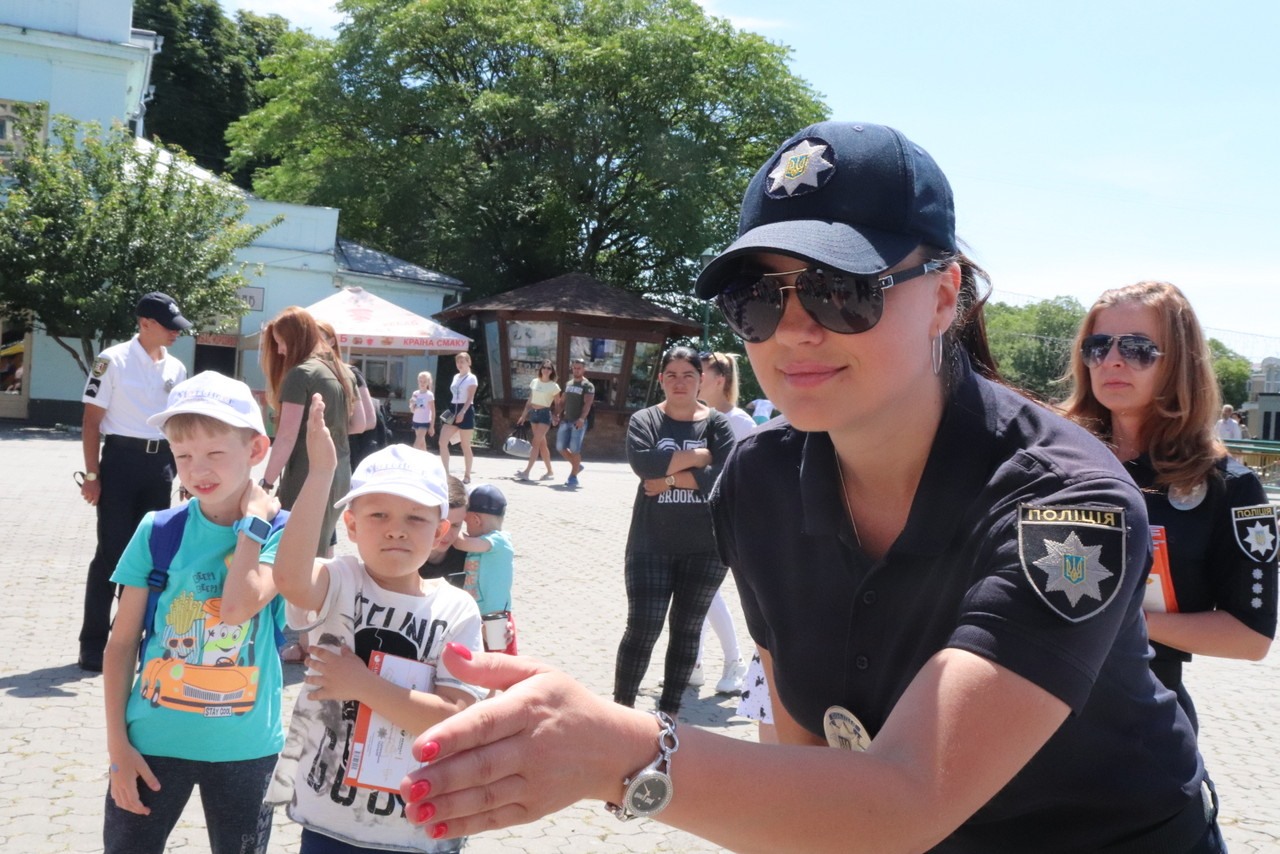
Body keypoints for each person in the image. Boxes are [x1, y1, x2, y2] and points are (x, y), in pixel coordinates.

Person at [400, 121, 1221, 852]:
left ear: (944, 296)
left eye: (843, 290)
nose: (794, 330)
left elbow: (908, 796)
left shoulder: (1067, 503)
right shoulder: (756, 480)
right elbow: (801, 756)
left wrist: (621, 754)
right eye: (756, 299)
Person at [267, 402, 484, 854]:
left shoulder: (458, 608)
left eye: (415, 519)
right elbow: (286, 577)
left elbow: (457, 719)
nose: (395, 532)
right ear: (350, 524)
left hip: (419, 826)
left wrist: (361, 684)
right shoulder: (339, 580)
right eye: (378, 516)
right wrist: (321, 473)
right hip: (328, 821)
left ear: (442, 530)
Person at [1062, 281, 1276, 731]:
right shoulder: (1051, 459)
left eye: (1138, 348)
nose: (1113, 360)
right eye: (1098, 346)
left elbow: (1250, 637)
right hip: (1027, 724)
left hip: (1141, 733)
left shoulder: (1228, 488)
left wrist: (1120, 616)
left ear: (1178, 362)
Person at [102, 371, 284, 854]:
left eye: (215, 453)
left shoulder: (282, 533)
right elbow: (120, 645)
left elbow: (237, 607)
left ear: (256, 450)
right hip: (152, 745)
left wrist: (255, 524)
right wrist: (118, 747)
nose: (197, 469)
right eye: (183, 456)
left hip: (247, 750)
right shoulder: (156, 529)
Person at [613, 345, 737, 716]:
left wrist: (669, 480)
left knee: (687, 631)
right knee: (643, 628)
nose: (680, 382)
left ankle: (668, 716)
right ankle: (621, 711)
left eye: (688, 375)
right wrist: (700, 457)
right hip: (650, 543)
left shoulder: (717, 425)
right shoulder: (645, 421)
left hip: (707, 548)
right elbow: (644, 464)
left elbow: (723, 478)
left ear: (701, 380)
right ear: (661, 379)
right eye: (672, 375)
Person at [77, 292, 190, 672]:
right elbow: (92, 422)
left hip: (160, 466)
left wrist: (185, 473)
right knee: (112, 553)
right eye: (169, 327)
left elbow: (178, 426)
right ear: (145, 324)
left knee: (151, 557)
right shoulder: (112, 360)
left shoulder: (176, 368)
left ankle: (132, 638)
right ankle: (92, 643)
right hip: (120, 463)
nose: (177, 333)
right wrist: (92, 475)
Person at [259, 306, 354, 558]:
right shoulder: (342, 371)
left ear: (295, 339)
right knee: (321, 550)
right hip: (340, 473)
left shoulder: (301, 374)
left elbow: (286, 436)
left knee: (297, 552)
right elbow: (361, 422)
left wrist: (265, 483)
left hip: (307, 474)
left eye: (282, 343)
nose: (279, 351)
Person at [686, 351, 755, 694]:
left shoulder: (741, 422)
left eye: (701, 373)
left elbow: (755, 473)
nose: (694, 379)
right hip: (696, 515)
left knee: (705, 591)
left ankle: (734, 662)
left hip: (728, 518)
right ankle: (694, 664)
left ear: (720, 380)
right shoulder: (699, 418)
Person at [452, 484, 516, 654]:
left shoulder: (500, 542)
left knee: (499, 663)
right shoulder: (486, 541)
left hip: (495, 617)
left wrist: (447, 523)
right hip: (479, 615)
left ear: (476, 520)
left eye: (463, 524)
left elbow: (459, 542)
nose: (464, 529)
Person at [317, 320, 377, 464]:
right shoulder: (307, 373)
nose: (313, 344)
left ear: (331, 342)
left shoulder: (350, 373)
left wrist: (328, 432)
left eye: (319, 339)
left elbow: (369, 420)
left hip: (346, 451)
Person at [420, 475, 469, 588]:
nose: (446, 533)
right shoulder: (404, 557)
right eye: (440, 525)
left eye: (455, 525)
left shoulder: (470, 556)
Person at [514, 360, 560, 481]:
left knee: (535, 442)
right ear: (540, 369)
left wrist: (556, 416)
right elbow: (529, 401)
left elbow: (558, 404)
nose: (546, 370)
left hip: (545, 414)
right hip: (533, 414)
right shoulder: (534, 382)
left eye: (549, 368)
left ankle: (526, 472)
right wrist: (523, 416)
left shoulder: (554, 386)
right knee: (542, 445)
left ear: (552, 371)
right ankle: (550, 472)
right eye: (544, 367)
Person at [556, 357, 595, 488]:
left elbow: (587, 404)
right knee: (560, 447)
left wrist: (582, 419)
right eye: (574, 368)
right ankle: (577, 466)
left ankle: (573, 477)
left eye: (579, 368)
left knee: (574, 449)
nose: (576, 370)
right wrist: (556, 414)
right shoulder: (569, 384)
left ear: (584, 369)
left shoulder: (588, 386)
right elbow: (562, 401)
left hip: (578, 422)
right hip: (566, 420)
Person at [438, 352, 478, 484]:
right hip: (453, 409)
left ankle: (467, 475)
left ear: (468, 362)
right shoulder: (456, 377)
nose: (460, 364)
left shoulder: (471, 378)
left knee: (465, 445)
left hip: (465, 410)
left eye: (462, 362)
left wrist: (463, 412)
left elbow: (470, 398)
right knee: (442, 442)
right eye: (458, 362)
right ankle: (446, 473)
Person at [410, 371, 436, 452]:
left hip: (424, 422)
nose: (422, 383)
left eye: (424, 381)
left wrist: (432, 426)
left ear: (428, 382)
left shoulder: (429, 395)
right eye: (421, 381)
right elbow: (412, 410)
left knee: (416, 445)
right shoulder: (415, 393)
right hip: (416, 421)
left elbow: (433, 411)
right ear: (418, 381)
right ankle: (426, 461)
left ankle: (411, 462)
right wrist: (412, 404)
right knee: (422, 444)